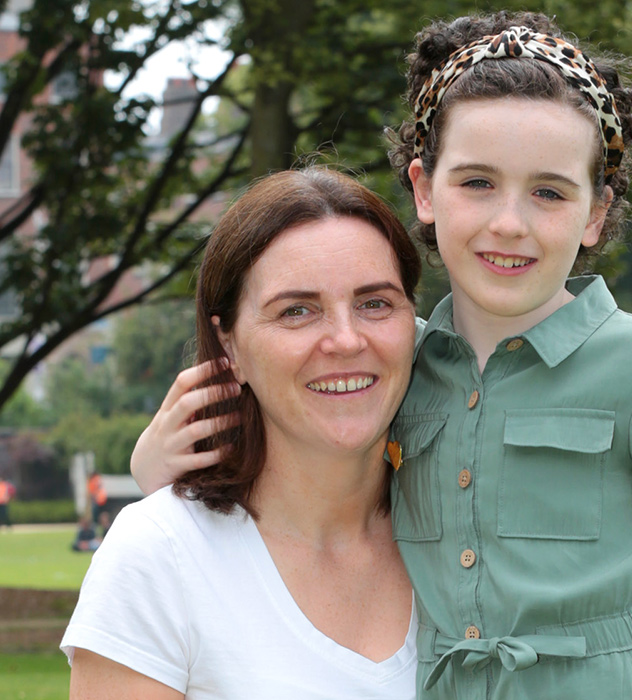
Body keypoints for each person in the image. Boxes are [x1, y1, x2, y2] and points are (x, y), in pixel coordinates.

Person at [132, 12, 632, 698]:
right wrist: (154, 474)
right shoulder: (391, 363)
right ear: (423, 189)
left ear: (595, 213)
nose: (509, 222)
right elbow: (297, 479)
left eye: (549, 192)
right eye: (477, 182)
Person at [61, 167, 423, 699]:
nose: (346, 340)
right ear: (228, 344)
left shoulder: (463, 538)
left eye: (375, 303)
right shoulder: (160, 557)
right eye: (296, 311)